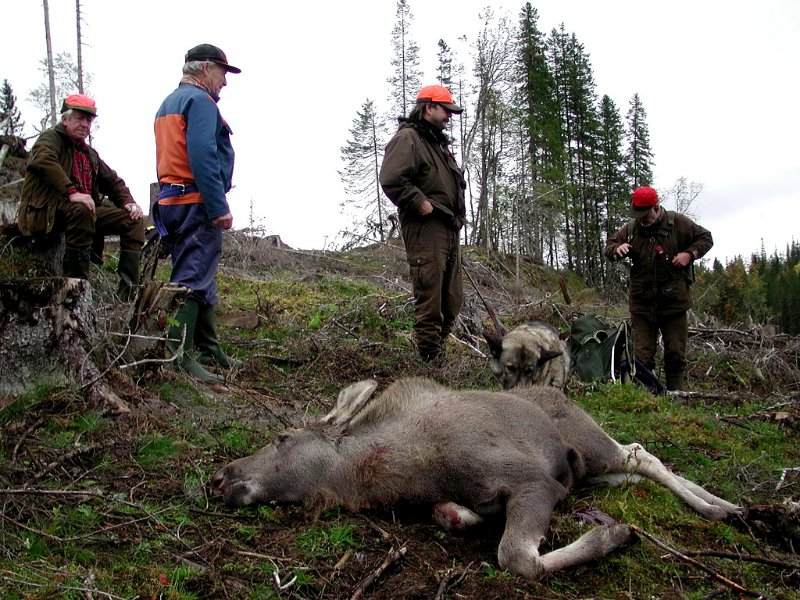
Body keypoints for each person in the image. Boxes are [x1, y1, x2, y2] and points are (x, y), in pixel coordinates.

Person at [153, 43, 243, 383]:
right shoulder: (201, 102)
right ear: (205, 68)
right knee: (191, 279)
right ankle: (180, 357)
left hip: (172, 201)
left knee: (200, 273)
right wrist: (217, 205)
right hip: (195, 202)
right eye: (222, 72)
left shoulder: (169, 103)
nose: (225, 81)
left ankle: (208, 348)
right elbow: (203, 153)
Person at [18, 94, 145, 298]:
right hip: (47, 213)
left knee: (132, 220)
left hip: (80, 212)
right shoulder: (50, 139)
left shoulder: (89, 153)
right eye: (79, 119)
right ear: (65, 119)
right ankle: (77, 287)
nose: (85, 124)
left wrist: (128, 202)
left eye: (89, 120)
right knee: (82, 208)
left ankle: (128, 294)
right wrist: (71, 192)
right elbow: (44, 161)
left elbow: (113, 182)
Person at [379, 84, 467, 363]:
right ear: (429, 107)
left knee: (451, 300)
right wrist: (418, 201)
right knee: (430, 297)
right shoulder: (409, 138)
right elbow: (391, 178)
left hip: (448, 228)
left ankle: (436, 355)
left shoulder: (435, 143)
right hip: (426, 227)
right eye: (446, 110)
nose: (449, 117)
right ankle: (430, 362)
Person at [604, 186, 713, 391]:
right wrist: (617, 249)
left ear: (656, 207)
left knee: (675, 353)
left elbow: (706, 238)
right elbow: (609, 246)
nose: (642, 219)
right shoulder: (630, 229)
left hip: (673, 304)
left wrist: (689, 254)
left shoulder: (678, 223)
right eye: (639, 215)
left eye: (645, 215)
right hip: (642, 305)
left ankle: (675, 394)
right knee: (642, 356)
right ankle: (647, 397)